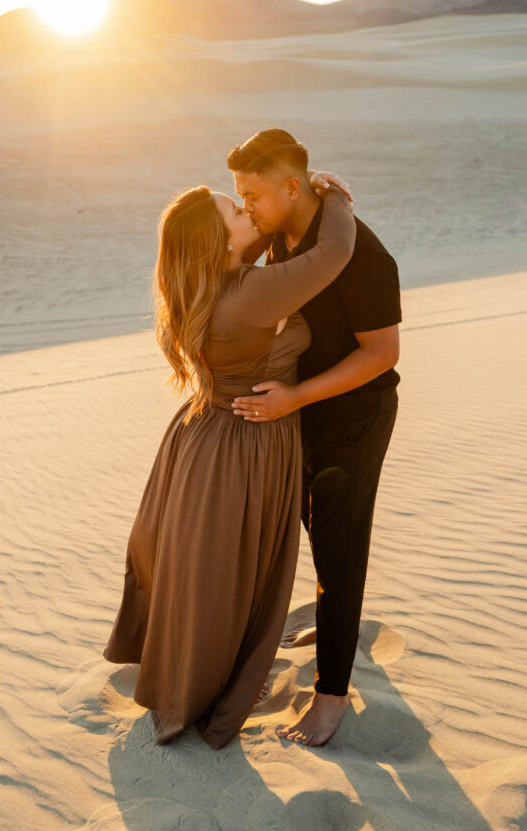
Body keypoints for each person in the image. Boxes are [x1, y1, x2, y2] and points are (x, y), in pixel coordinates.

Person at [101, 175, 356, 749]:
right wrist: (334, 194)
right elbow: (335, 252)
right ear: (219, 246)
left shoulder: (209, 282)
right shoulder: (250, 294)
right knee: (225, 577)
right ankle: (201, 691)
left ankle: (182, 679)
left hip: (201, 436)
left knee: (201, 570)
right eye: (235, 212)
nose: (247, 212)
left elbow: (259, 251)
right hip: (241, 447)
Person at [229, 129, 401, 748]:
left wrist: (296, 397)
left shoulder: (367, 257)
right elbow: (228, 242)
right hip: (301, 414)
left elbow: (382, 354)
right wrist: (330, 194)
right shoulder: (285, 229)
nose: (245, 204)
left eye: (251, 193)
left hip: (355, 417)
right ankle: (338, 626)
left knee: (339, 546)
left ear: (291, 187)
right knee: (310, 525)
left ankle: (331, 697)